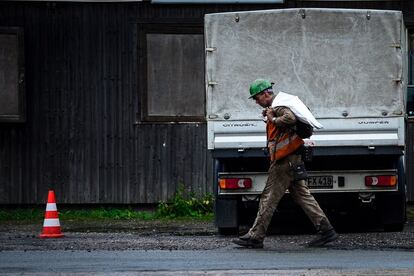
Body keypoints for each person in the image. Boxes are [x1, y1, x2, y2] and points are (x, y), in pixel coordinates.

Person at [233, 79, 338, 248]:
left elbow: (288, 118)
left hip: (285, 160)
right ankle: (327, 232)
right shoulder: (277, 105)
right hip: (293, 158)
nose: (256, 101)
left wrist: (273, 118)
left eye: (257, 98)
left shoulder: (278, 106)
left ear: (265, 94)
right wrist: (271, 115)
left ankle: (255, 236)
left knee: (269, 197)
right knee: (302, 195)